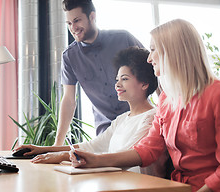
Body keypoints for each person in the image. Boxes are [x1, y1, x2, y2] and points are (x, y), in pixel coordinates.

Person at [69, 19, 220, 192]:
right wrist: (95, 160)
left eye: (153, 50)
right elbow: (147, 149)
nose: (149, 59)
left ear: (174, 52)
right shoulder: (166, 100)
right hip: (179, 186)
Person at [14, 47, 166, 176]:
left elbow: (124, 156)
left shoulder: (152, 117)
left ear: (144, 84)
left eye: (124, 79)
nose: (117, 84)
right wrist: (43, 149)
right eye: (117, 79)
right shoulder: (122, 119)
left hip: (137, 186)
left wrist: (63, 156)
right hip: (116, 182)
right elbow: (92, 146)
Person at [54, 0, 143, 145]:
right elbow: (69, 100)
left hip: (138, 121)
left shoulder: (123, 38)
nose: (73, 28)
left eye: (77, 20)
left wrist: (164, 113)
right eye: (68, 23)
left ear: (92, 16)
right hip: (106, 131)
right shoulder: (69, 56)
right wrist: (57, 144)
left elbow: (153, 70)